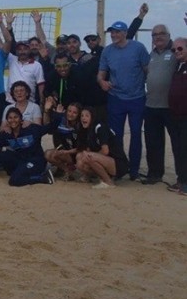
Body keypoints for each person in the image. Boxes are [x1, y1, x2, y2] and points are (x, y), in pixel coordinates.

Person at [97, 20, 150, 180]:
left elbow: (148, 70)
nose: (114, 35)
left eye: (117, 32)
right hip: (116, 98)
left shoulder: (138, 48)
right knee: (115, 136)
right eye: (112, 32)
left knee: (136, 134)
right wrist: (102, 82)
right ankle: (119, 169)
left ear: (125, 33)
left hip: (137, 98)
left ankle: (134, 171)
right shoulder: (107, 51)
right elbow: (101, 74)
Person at [0, 106, 58, 187]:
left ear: (21, 119)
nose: (13, 120)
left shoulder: (31, 129)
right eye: (10, 118)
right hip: (22, 161)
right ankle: (20, 173)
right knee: (3, 155)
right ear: (7, 120)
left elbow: (50, 127)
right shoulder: (7, 134)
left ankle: (43, 178)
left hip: (36, 161)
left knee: (14, 181)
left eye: (15, 117)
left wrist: (58, 114)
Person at [142, 23, 177, 185]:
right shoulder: (151, 55)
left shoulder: (176, 51)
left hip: (171, 107)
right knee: (153, 143)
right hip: (151, 106)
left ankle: (182, 178)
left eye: (162, 33)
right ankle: (154, 174)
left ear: (169, 35)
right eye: (155, 34)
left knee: (178, 144)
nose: (158, 36)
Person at [74, 107, 129, 189]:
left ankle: (108, 182)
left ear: (92, 117)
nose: (83, 118)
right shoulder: (88, 129)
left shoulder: (100, 128)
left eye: (87, 116)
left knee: (88, 157)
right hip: (106, 160)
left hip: (118, 163)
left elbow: (105, 151)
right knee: (79, 158)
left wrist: (90, 154)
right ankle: (93, 176)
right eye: (82, 116)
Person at [168, 37, 187, 195]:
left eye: (180, 48)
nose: (176, 52)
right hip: (176, 116)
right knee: (178, 149)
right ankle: (181, 180)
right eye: (174, 50)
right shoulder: (178, 66)